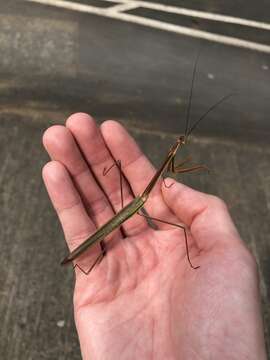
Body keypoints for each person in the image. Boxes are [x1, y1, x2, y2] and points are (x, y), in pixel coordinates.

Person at [42, 113, 267, 360]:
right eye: (180, 143)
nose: (181, 144)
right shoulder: (164, 171)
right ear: (176, 146)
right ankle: (79, 254)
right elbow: (172, 169)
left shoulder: (166, 166)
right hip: (132, 208)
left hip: (135, 205)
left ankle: (81, 254)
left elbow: (170, 168)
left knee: (111, 221)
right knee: (179, 228)